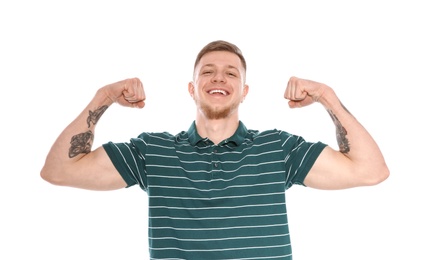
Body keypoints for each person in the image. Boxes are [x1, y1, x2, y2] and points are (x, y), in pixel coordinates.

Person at [40, 40, 389, 259]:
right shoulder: (153, 151)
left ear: (244, 91)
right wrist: (102, 99)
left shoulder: (277, 148)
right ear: (192, 89)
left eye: (230, 74)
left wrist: (327, 97)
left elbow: (370, 171)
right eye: (208, 72)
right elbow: (60, 170)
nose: (219, 78)